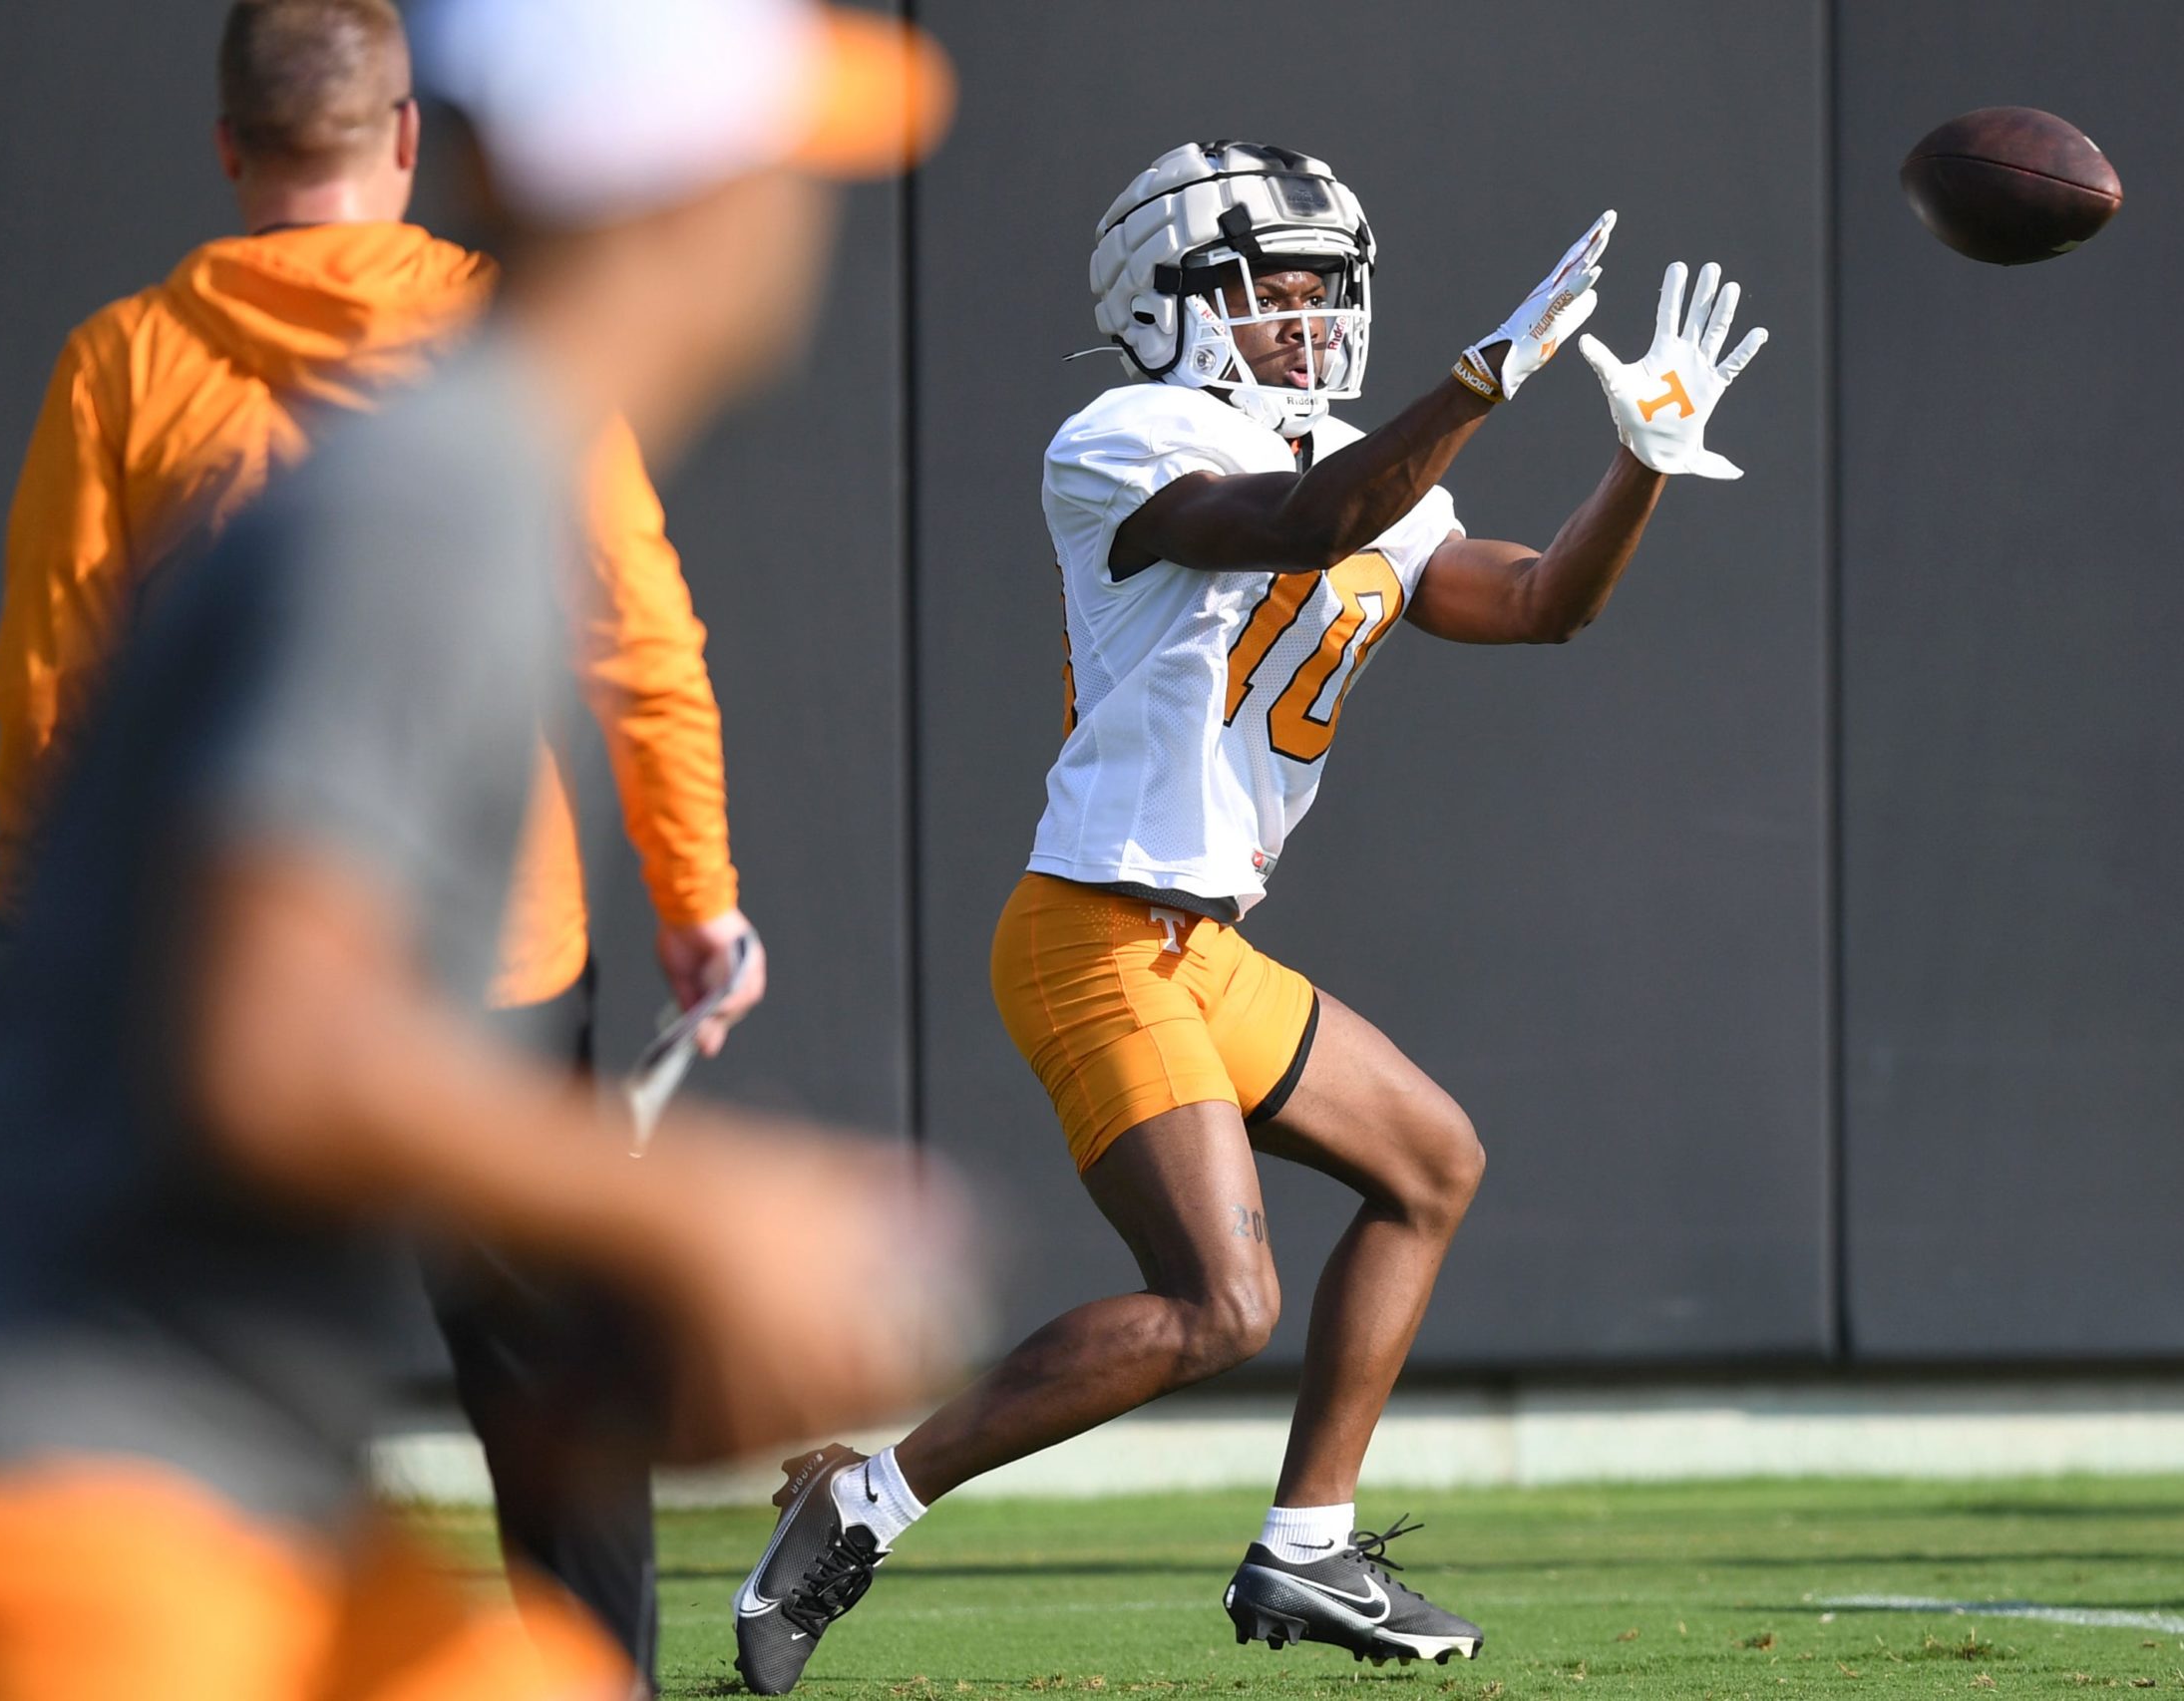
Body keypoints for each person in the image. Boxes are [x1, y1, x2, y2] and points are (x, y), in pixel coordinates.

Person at [0, 4, 957, 1699]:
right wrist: (709, 1214)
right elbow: (271, 1039)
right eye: (793, 158)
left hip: (27, 1402)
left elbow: (43, 689)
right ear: (696, 197)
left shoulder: (173, 371)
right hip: (37, 1463)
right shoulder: (460, 473)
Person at [733, 142, 1767, 1689]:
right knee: (1218, 1305)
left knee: (1431, 1162)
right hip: (1096, 929)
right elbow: (1300, 520)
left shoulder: (1376, 465)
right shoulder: (1122, 435)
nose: (1300, 318)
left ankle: (1306, 1547)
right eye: (1260, 289)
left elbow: (1544, 598)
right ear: (1160, 304)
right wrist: (1481, 379)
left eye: (1319, 290)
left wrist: (1641, 466)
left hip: (1198, 946)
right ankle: (862, 1497)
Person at [0, 0, 767, 1675]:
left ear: (229, 151)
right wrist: (701, 899)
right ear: (409, 137)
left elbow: (48, 690)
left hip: (216, 984)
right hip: (488, 969)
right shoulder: (517, 344)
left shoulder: (123, 359)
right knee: (559, 1420)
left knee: (193, 1426)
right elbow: (641, 636)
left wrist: (53, 951)